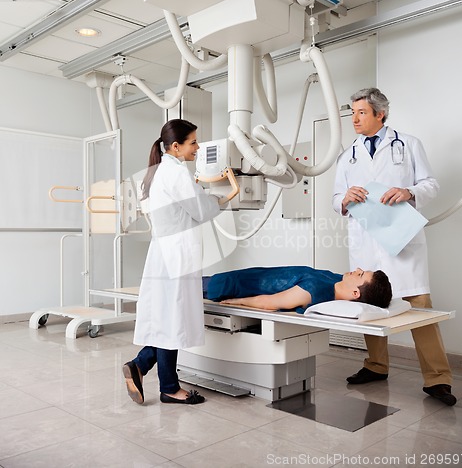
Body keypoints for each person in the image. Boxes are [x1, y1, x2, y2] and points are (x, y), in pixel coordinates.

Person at [333, 87, 456, 406]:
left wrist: (409, 192)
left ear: (380, 114)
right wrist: (344, 199)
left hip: (402, 241)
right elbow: (336, 198)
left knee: (420, 307)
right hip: (366, 243)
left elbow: (431, 184)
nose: (355, 119)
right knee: (369, 308)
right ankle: (375, 365)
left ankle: (437, 379)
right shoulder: (348, 155)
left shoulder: (409, 144)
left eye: (361, 112)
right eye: (352, 112)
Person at [123, 119, 221, 406]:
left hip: (164, 253)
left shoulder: (160, 172)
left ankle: (140, 366)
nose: (198, 147)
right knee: (172, 319)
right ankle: (168, 387)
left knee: (168, 318)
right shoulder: (177, 174)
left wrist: (203, 193)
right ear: (176, 147)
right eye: (193, 142)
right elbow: (200, 209)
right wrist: (222, 198)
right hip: (177, 255)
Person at [202, 266, 392, 312]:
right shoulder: (336, 279)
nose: (357, 270)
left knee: (178, 287)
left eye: (360, 275)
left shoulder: (314, 290)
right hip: (240, 275)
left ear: (355, 294)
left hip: (228, 286)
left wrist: (238, 301)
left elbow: (269, 302)